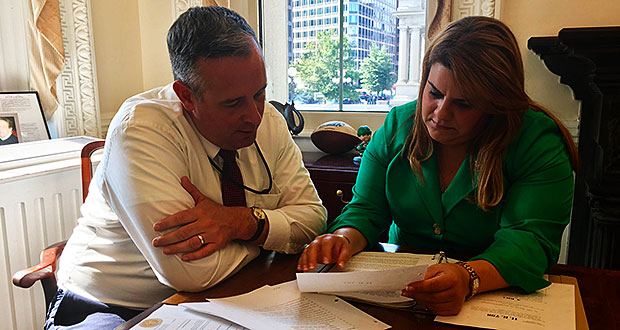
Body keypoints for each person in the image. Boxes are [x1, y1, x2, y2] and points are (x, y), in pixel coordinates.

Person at [48, 6, 326, 329]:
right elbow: (192, 273)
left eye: (260, 93)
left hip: (221, 297)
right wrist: (268, 236)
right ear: (186, 96)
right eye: (233, 103)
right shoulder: (139, 129)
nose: (254, 116)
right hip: (108, 306)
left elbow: (314, 218)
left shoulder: (271, 123)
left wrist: (241, 223)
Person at [298, 16, 578, 316]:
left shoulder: (537, 141)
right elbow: (366, 209)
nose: (441, 113)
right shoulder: (395, 127)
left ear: (498, 104)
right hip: (401, 294)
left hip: (494, 296)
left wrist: (468, 277)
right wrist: (341, 239)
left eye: (464, 104)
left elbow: (529, 240)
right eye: (434, 93)